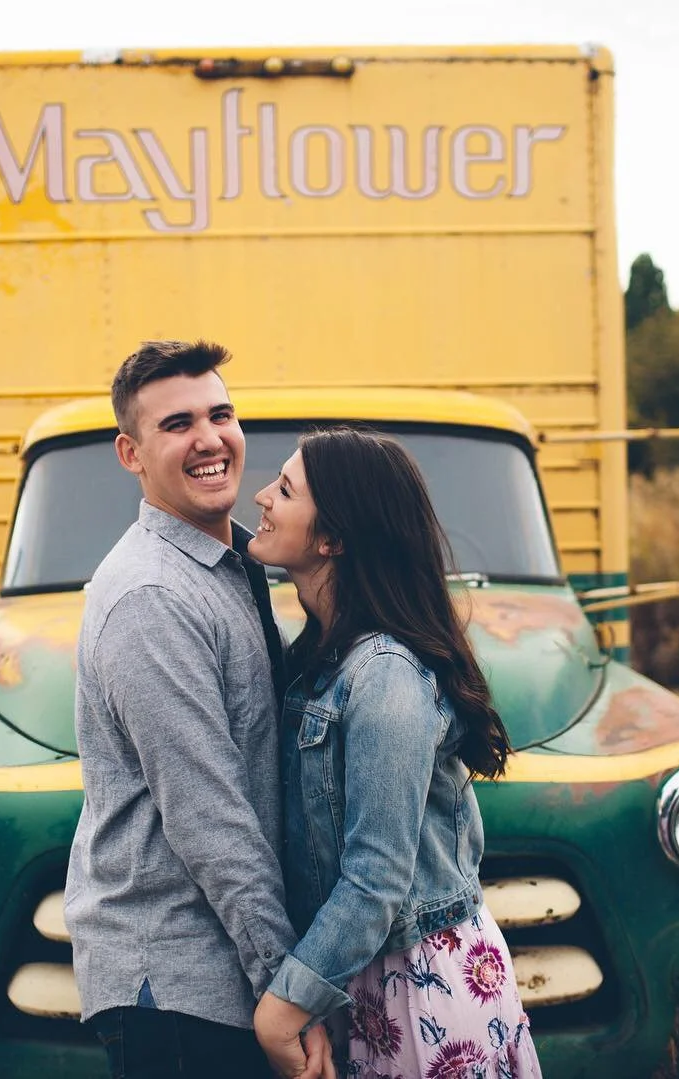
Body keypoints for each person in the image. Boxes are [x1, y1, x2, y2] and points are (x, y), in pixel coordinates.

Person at [62, 340, 333, 1079]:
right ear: (130, 452)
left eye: (221, 414)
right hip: (180, 985)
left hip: (222, 975)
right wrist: (289, 989)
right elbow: (208, 817)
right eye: (178, 424)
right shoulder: (152, 597)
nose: (210, 439)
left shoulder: (237, 563)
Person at [248, 426, 542, 1079]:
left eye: (286, 488)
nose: (263, 496)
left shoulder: (383, 672)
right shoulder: (318, 658)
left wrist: (282, 1007)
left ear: (332, 539)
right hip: (354, 978)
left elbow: (377, 878)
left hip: (419, 989)